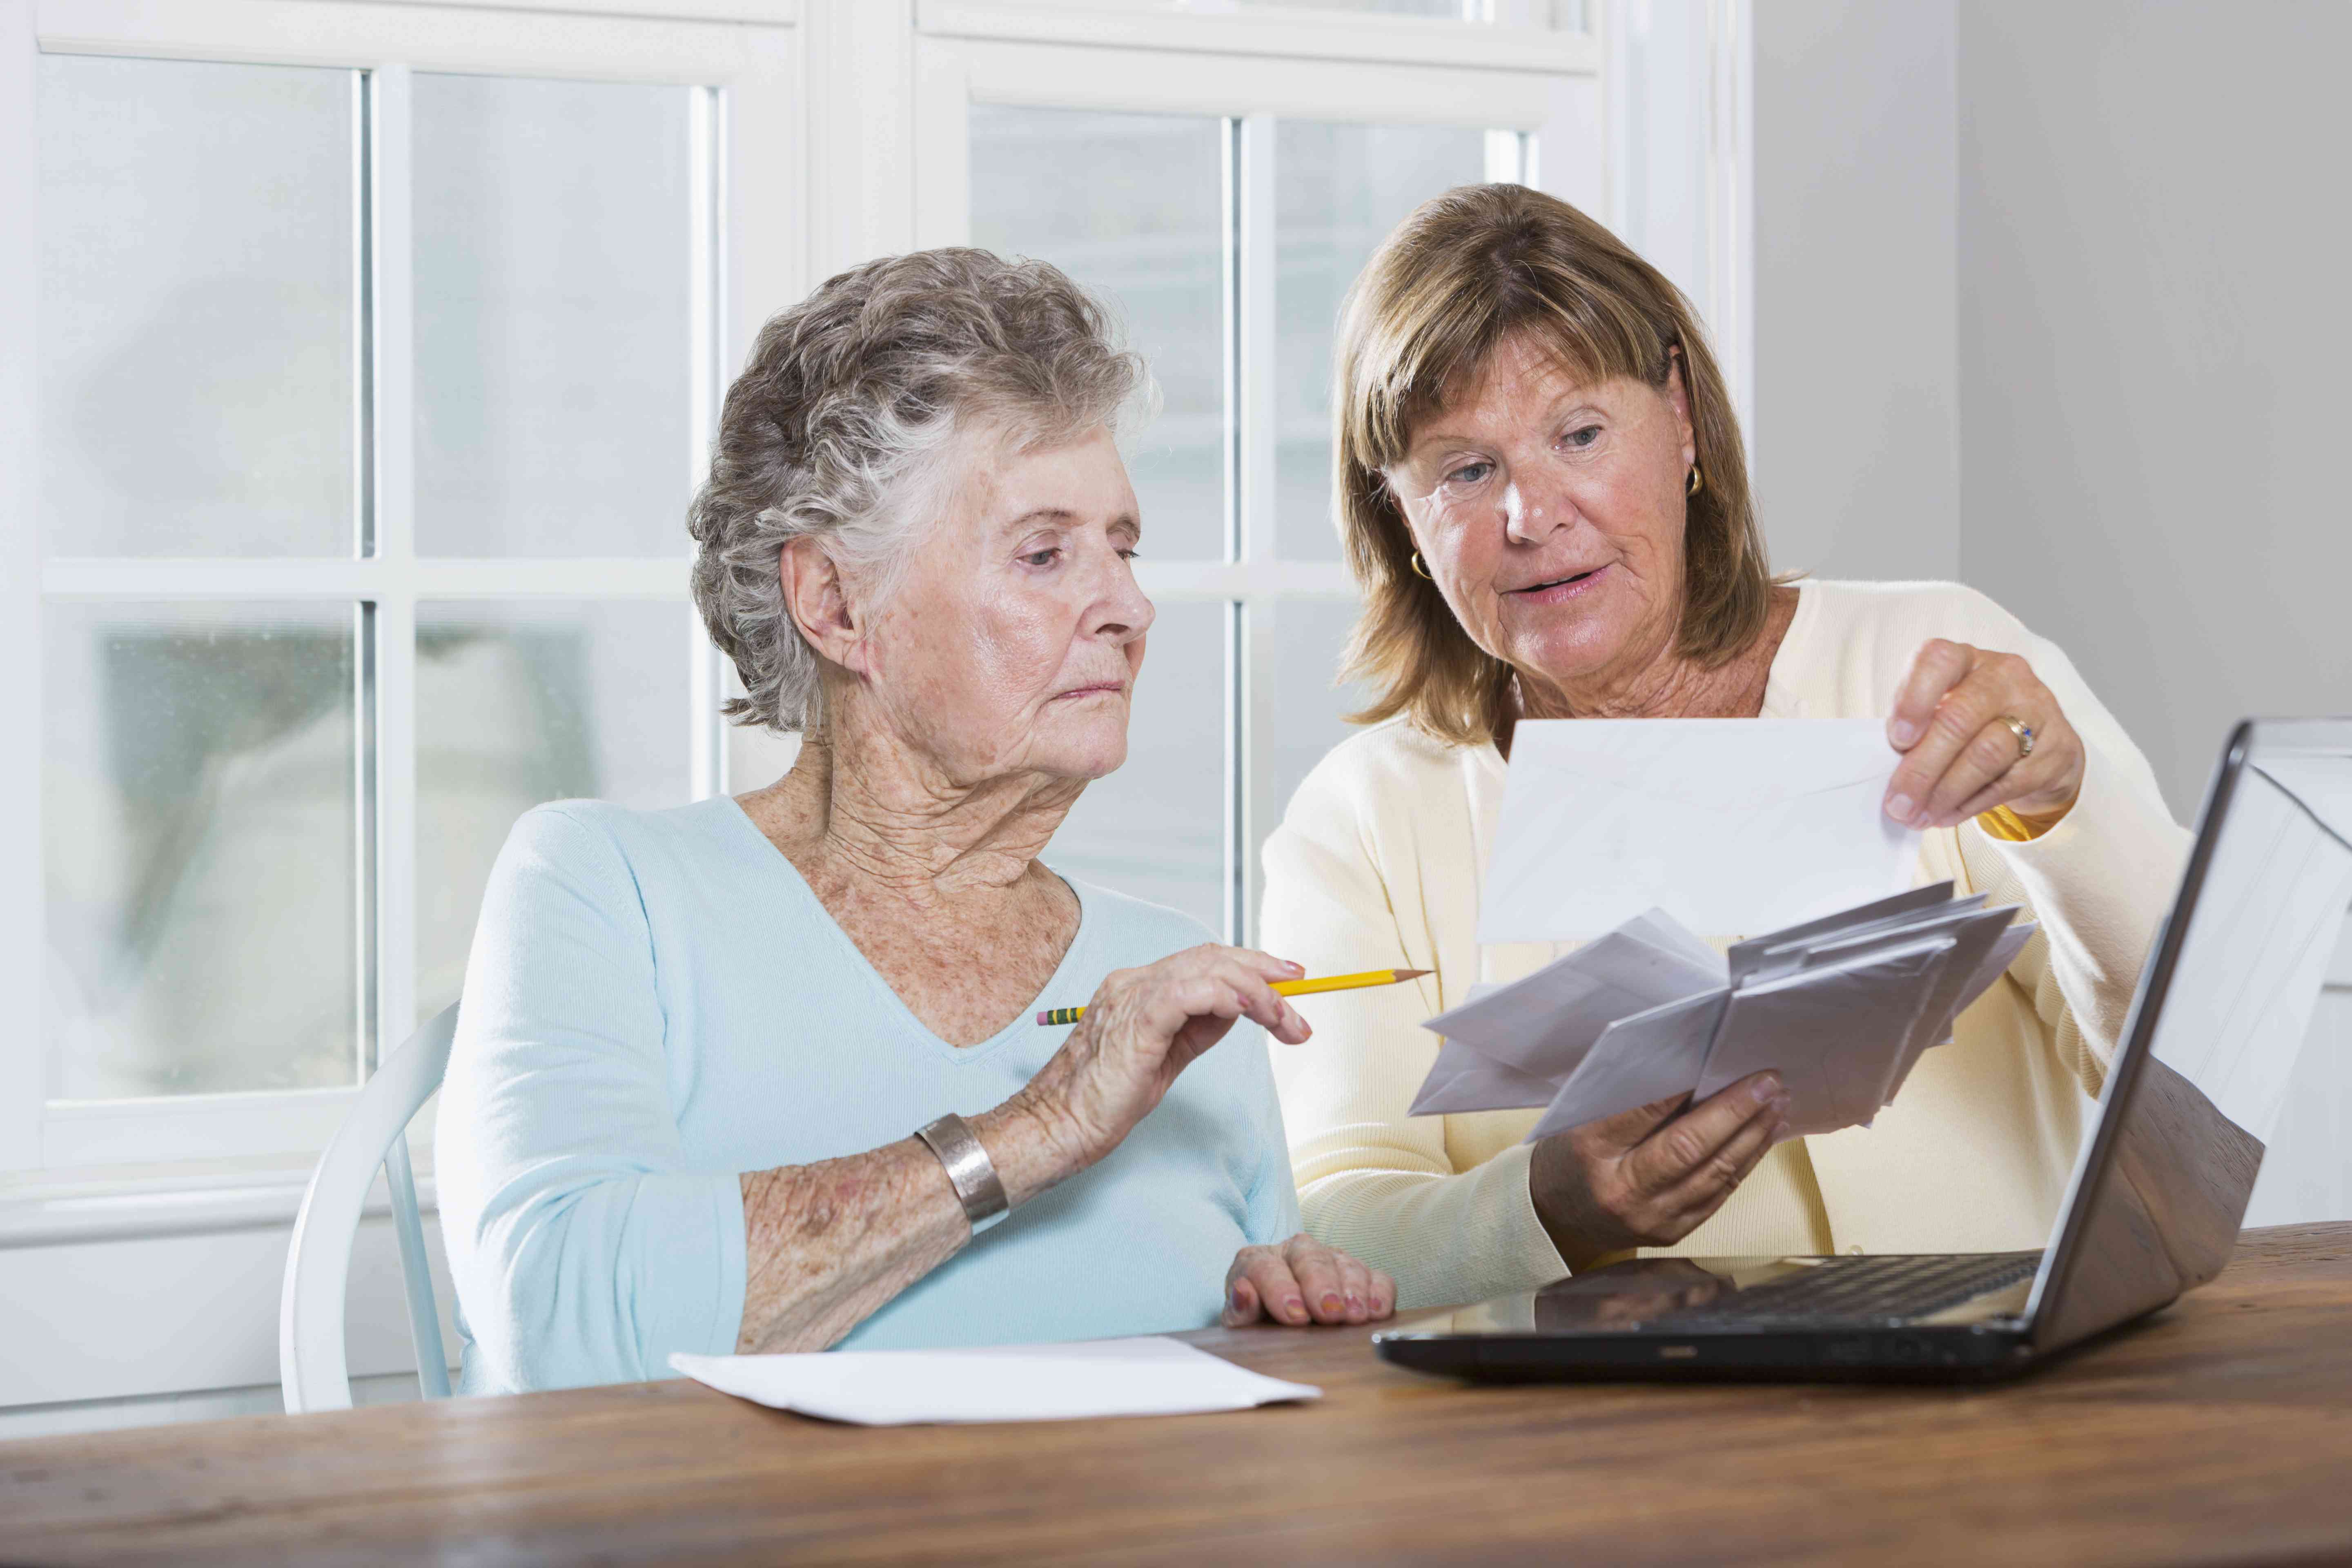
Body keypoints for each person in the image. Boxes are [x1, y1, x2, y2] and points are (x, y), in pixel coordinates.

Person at [436, 249, 1393, 1394]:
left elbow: (1253, 1342)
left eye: (1124, 548)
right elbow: (561, 1322)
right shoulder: (606, 887)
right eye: (1045, 554)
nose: (1130, 610)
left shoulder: (1168, 978)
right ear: (838, 603)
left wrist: (1291, 1300)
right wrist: (1042, 1125)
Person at [1261, 184, 2189, 1310]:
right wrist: (1550, 1208)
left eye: (1580, 434)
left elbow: (2173, 1066)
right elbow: (1343, 1216)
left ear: (1684, 421)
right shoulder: (1361, 818)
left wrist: (2063, 812)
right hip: (1610, 1456)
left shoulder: (1933, 661)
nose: (1530, 514)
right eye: (1465, 470)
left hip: (1995, 1422)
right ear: (1398, 519)